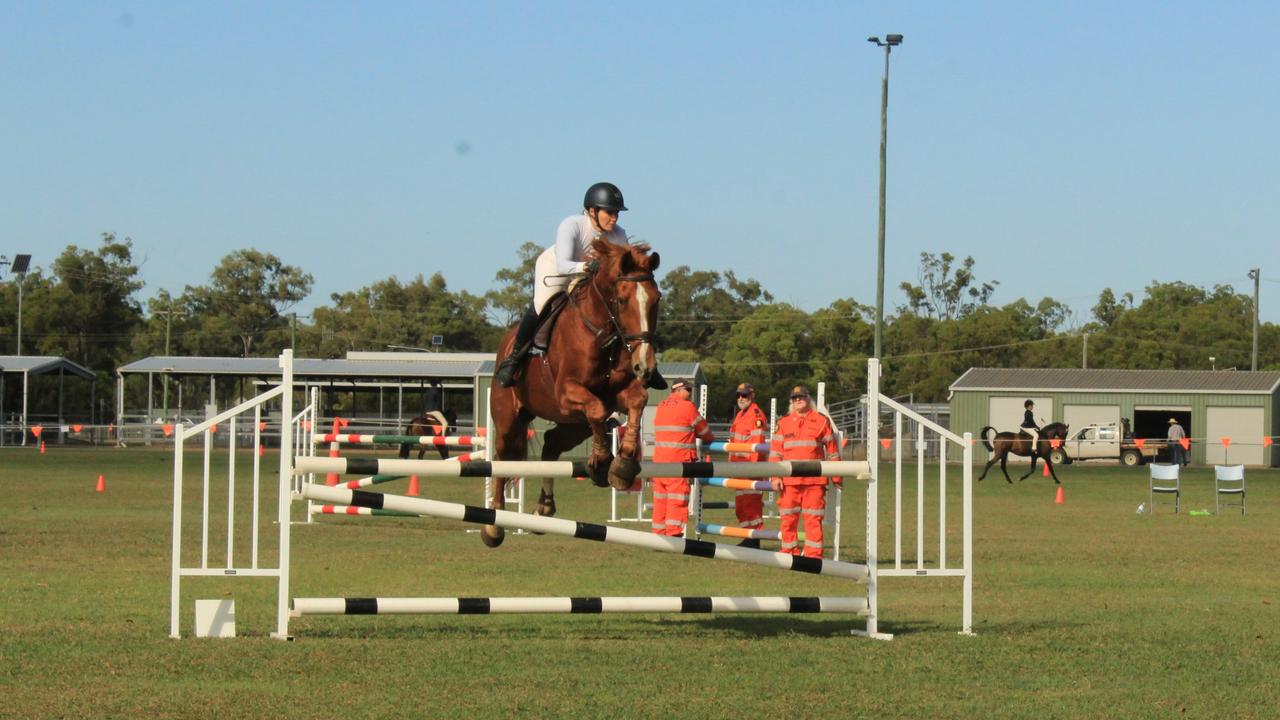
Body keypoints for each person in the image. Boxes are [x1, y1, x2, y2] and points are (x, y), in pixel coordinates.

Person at [495, 182, 660, 388]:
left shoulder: (618, 234)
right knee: (541, 304)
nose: (614, 217)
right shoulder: (572, 225)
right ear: (592, 211)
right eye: (609, 212)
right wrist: (588, 266)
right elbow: (563, 265)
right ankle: (514, 358)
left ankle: (644, 360)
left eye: (617, 212)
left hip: (588, 276)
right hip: (557, 271)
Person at [769, 386, 840, 558]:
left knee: (813, 519)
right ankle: (788, 552)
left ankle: (813, 555)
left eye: (801, 397)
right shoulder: (783, 422)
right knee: (787, 519)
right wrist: (775, 476)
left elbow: (832, 450)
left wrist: (837, 476)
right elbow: (775, 452)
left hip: (814, 481)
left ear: (809, 398)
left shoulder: (821, 420)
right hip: (789, 481)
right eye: (794, 398)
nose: (797, 400)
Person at [651, 380, 714, 537]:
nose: (691, 395)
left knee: (660, 501)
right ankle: (674, 535)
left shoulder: (661, 406)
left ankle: (658, 535)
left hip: (659, 464)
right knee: (676, 500)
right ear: (679, 390)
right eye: (689, 390)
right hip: (678, 463)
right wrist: (695, 433)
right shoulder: (687, 407)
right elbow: (706, 433)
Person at [727, 382, 769, 548]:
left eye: (744, 395)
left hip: (750, 470)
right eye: (738, 395)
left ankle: (754, 537)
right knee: (742, 507)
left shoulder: (756, 415)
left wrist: (752, 469)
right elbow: (733, 443)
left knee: (751, 506)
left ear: (752, 395)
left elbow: (757, 444)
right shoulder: (740, 415)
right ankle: (747, 536)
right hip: (739, 469)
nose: (741, 398)